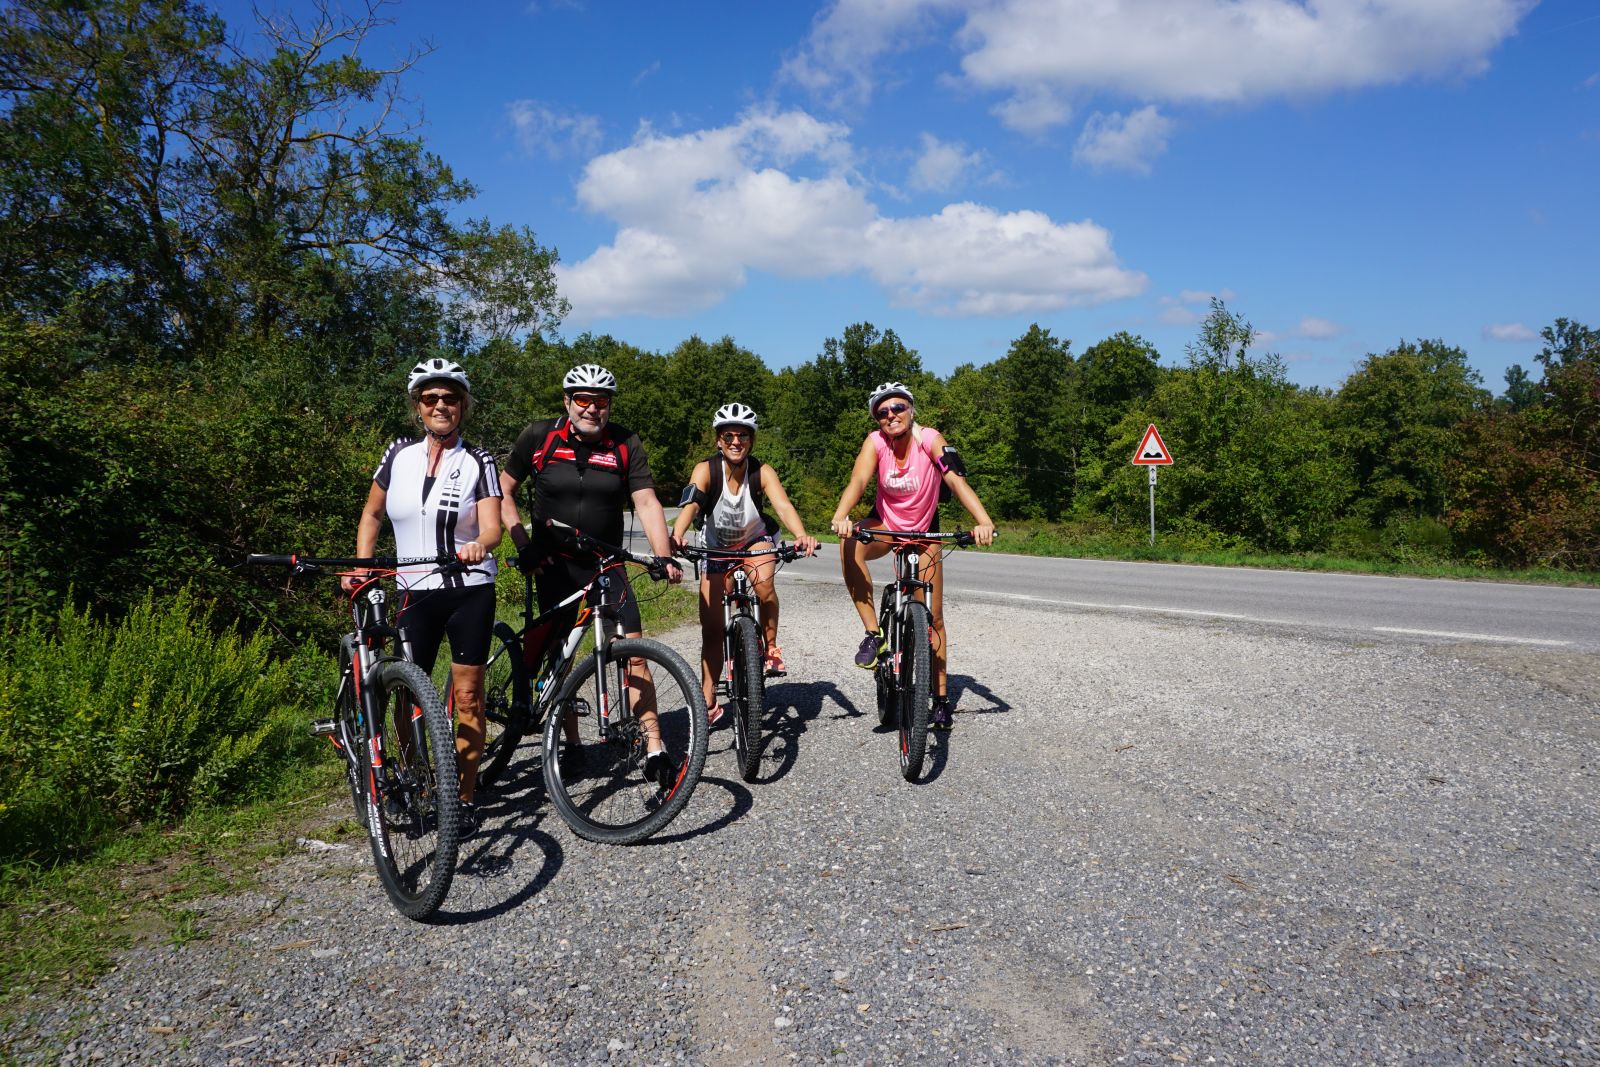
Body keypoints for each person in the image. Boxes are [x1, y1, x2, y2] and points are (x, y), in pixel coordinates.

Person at [499, 363, 685, 785]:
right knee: (560, 659)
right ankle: (573, 744)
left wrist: (663, 556)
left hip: (607, 562)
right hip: (552, 563)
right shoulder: (539, 436)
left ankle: (655, 747)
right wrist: (522, 545)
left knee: (635, 652)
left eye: (600, 401)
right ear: (567, 402)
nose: (592, 408)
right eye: (582, 399)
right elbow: (502, 489)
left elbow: (647, 501)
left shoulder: (624, 443)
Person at [342, 358, 502, 830]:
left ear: (462, 406)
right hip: (414, 591)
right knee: (407, 696)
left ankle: (464, 796)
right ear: (418, 407)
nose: (440, 406)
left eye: (449, 398)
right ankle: (415, 780)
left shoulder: (479, 460)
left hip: (469, 589)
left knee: (469, 696)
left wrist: (479, 544)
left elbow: (492, 528)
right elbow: (372, 515)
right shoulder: (397, 454)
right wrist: (361, 565)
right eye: (430, 398)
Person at [829, 381, 996, 730]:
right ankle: (874, 634)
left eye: (898, 408)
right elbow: (859, 480)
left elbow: (956, 480)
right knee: (848, 548)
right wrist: (842, 515)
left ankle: (939, 699)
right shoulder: (876, 443)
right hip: (887, 526)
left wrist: (983, 521)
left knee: (933, 618)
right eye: (883, 412)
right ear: (878, 420)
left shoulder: (930, 439)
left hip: (924, 533)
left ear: (911, 410)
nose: (891, 415)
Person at [670, 402, 819, 724]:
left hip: (755, 539)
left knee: (764, 584)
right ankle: (707, 699)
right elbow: (692, 505)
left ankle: (771, 647)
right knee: (711, 630)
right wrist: (678, 534)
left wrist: (802, 534)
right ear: (718, 440)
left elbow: (782, 506)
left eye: (742, 436)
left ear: (751, 439)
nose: (735, 441)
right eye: (728, 436)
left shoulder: (761, 471)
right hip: (715, 547)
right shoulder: (705, 470)